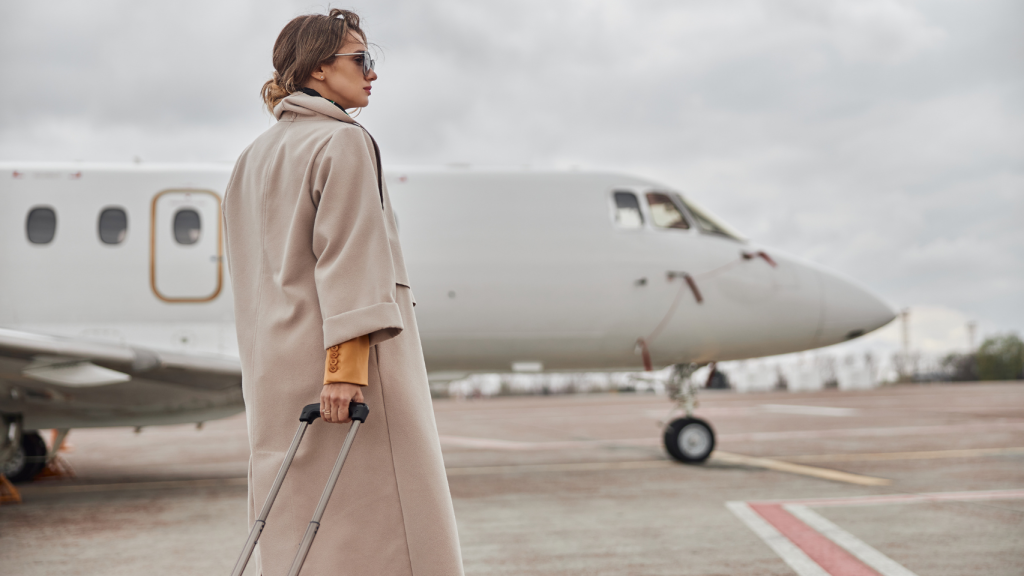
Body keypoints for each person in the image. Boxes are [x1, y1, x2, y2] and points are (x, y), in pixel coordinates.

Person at [222, 9, 464, 575]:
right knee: (385, 537)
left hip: (275, 375)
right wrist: (344, 369)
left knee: (299, 535)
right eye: (363, 59)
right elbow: (349, 259)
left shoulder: (252, 157)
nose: (372, 73)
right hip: (343, 379)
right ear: (319, 67)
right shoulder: (343, 143)